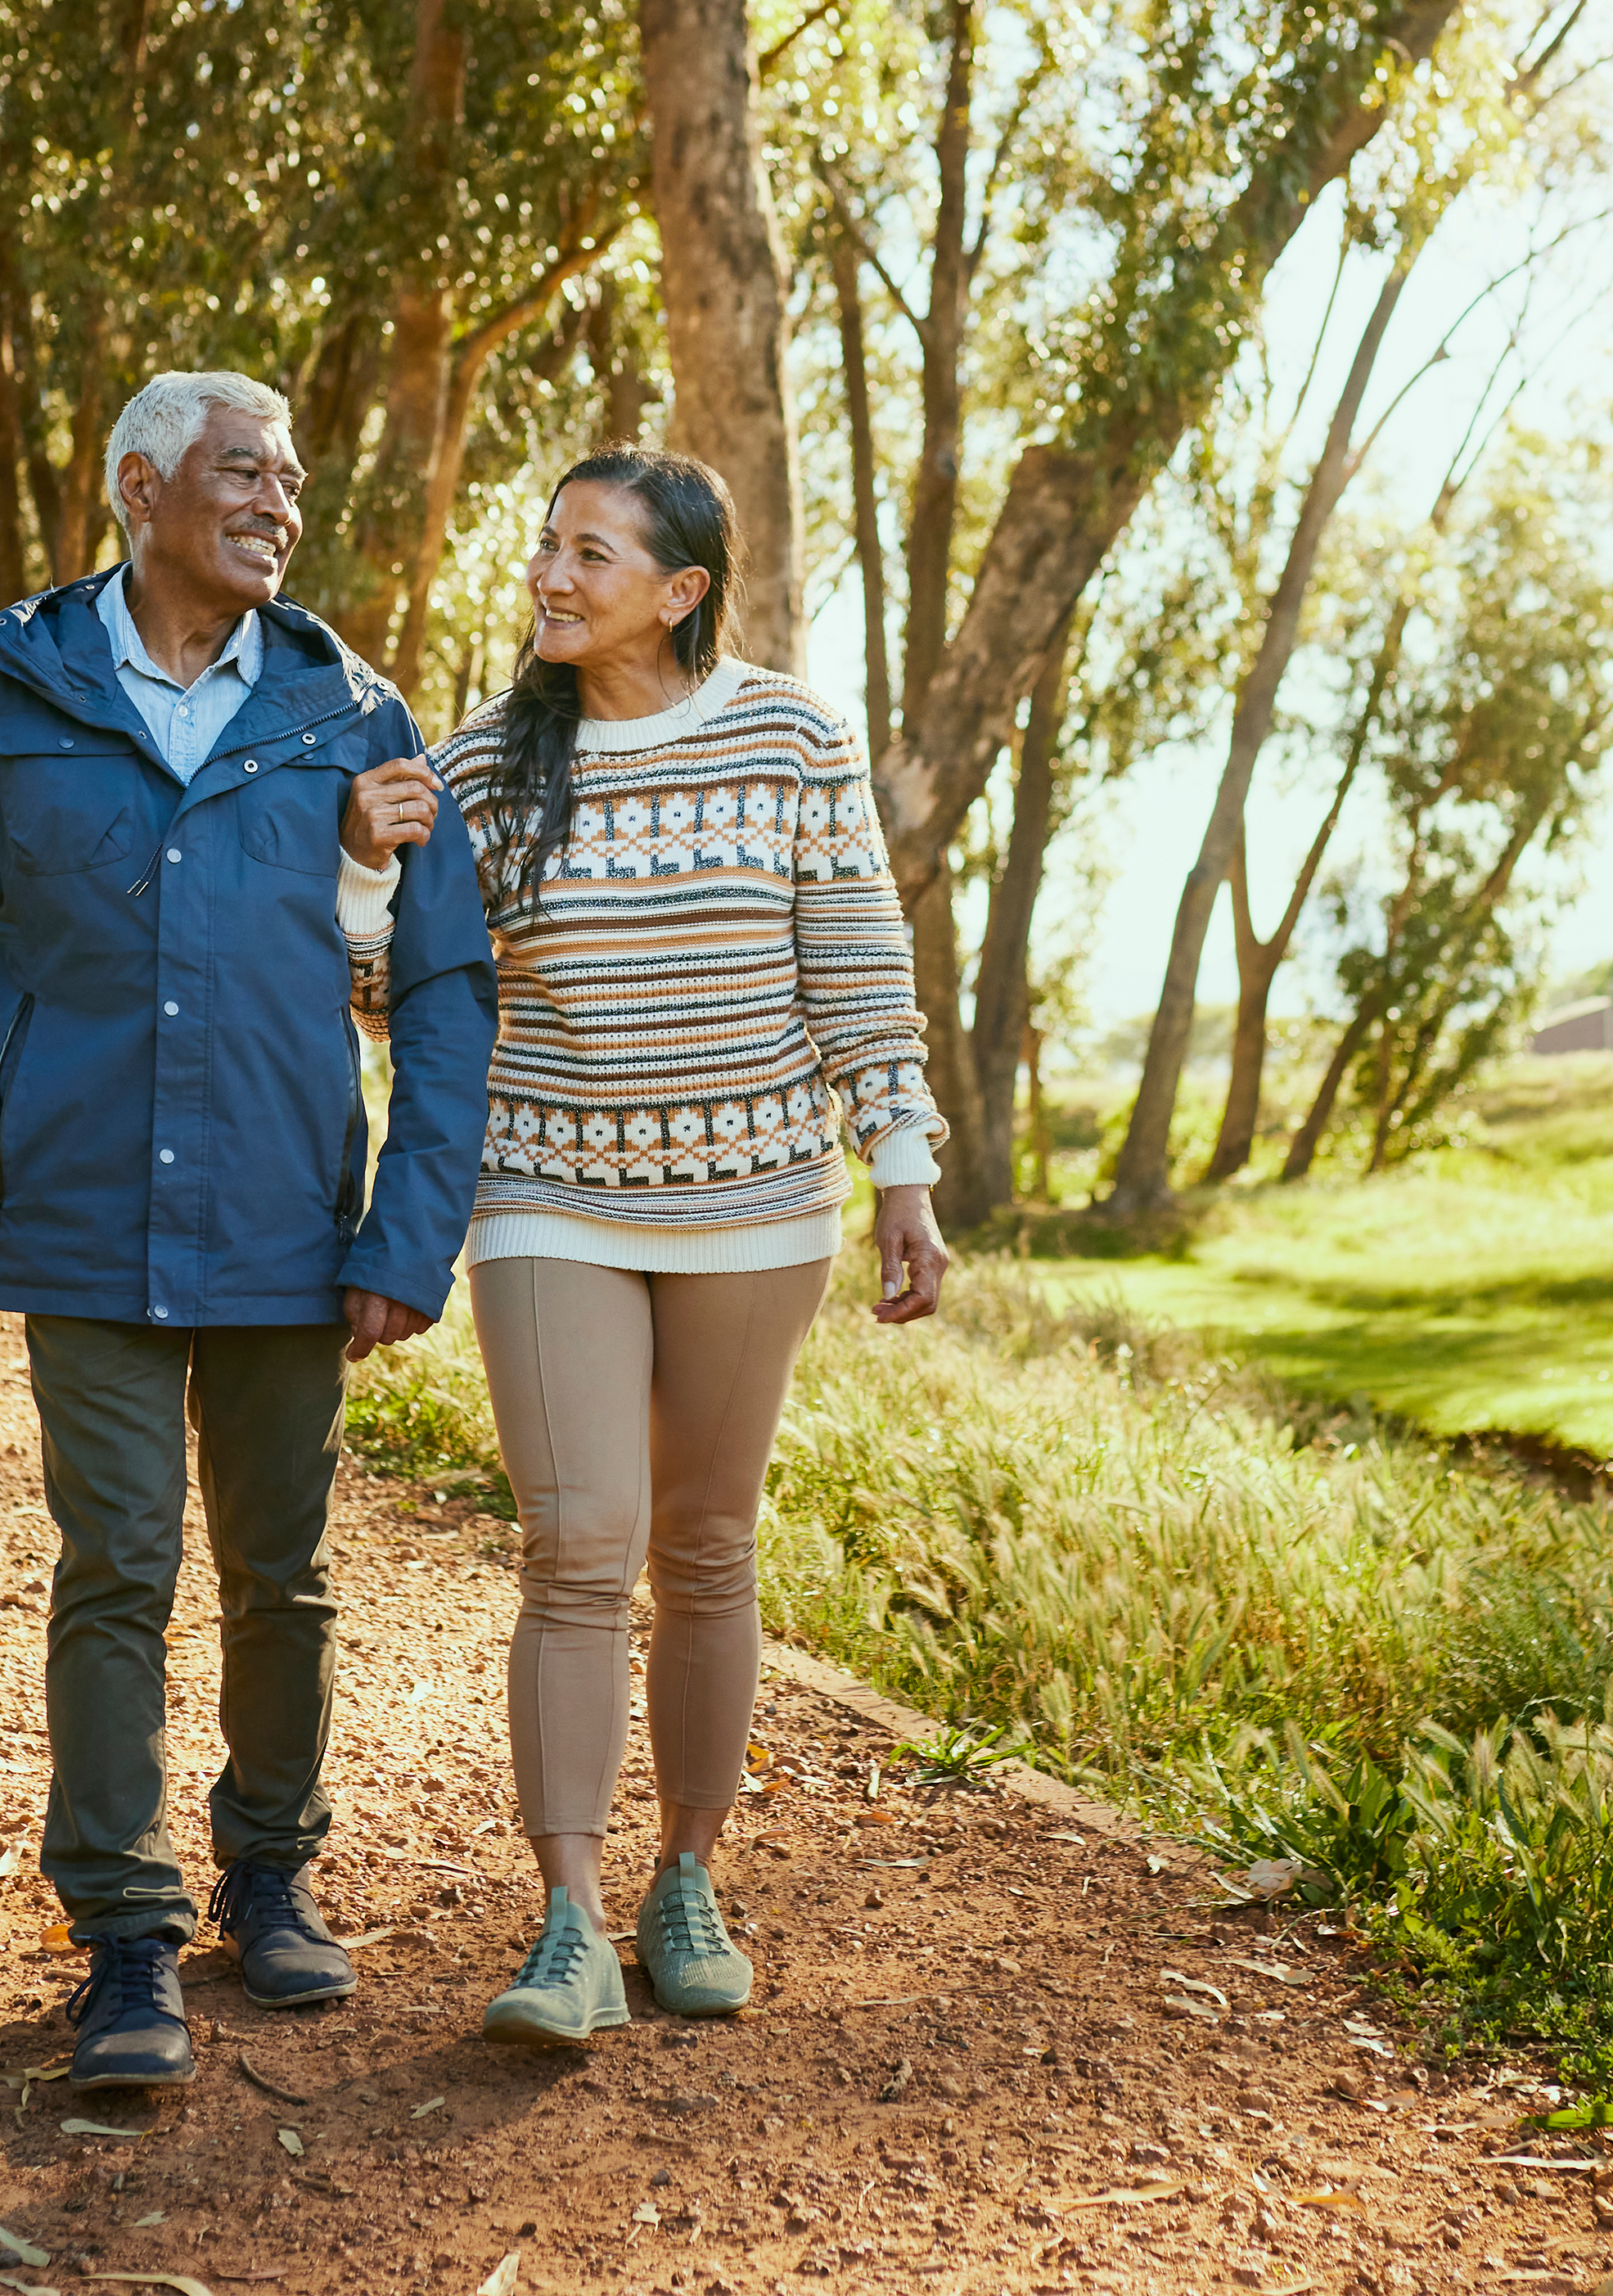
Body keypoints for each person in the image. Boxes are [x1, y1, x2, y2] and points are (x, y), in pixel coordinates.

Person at [0, 368, 498, 2090]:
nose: (283, 502)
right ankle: (122, 1928)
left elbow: (448, 985)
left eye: (295, 478)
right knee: (115, 1559)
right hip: (78, 1208)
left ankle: (268, 1870)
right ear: (139, 485)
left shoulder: (354, 711)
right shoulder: (5, 685)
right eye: (248, 471)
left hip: (282, 1215)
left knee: (284, 1571)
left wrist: (410, 1230)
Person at [389, 449, 950, 2046]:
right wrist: (372, 863)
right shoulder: (490, 761)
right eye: (546, 548)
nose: (551, 577)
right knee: (581, 1538)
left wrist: (898, 1170)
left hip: (757, 1201)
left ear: (681, 589)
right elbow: (396, 977)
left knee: (707, 1544)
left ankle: (685, 1879)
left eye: (591, 553)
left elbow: (854, 960)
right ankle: (566, 1920)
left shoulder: (788, 734)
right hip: (549, 1189)